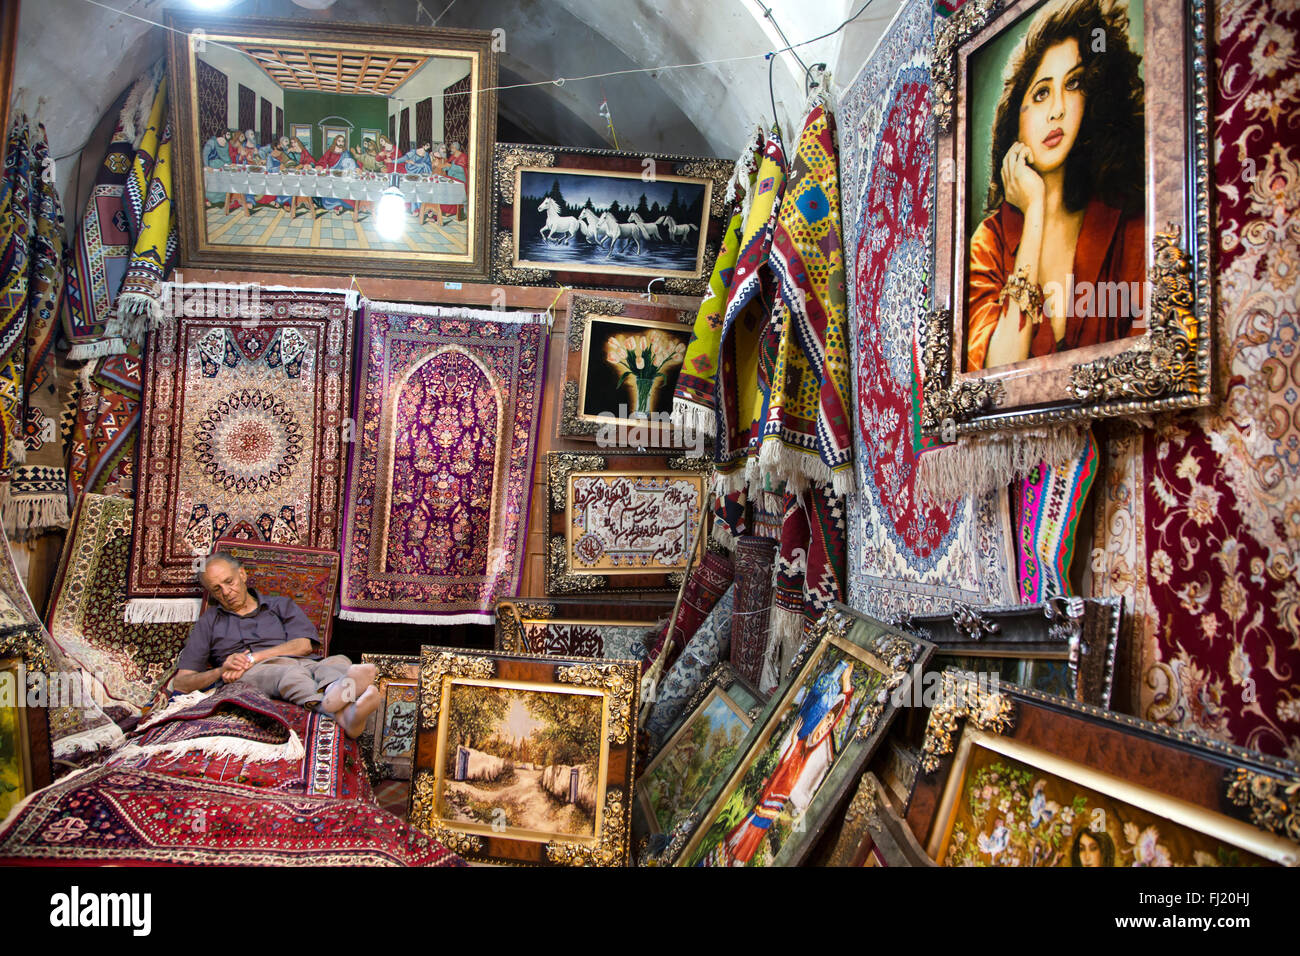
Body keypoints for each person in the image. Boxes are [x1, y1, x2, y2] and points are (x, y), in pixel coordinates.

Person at [965, 0, 1145, 372]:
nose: (1058, 109)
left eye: (1074, 84)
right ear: (1017, 115)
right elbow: (996, 374)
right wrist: (1034, 212)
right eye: (1042, 92)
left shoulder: (1125, 221)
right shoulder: (991, 241)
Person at [173, 552, 380, 737]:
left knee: (337, 662)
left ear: (242, 574)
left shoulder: (279, 605)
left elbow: (304, 645)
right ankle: (335, 706)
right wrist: (222, 671)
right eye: (217, 589)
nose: (226, 592)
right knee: (291, 675)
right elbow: (182, 683)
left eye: (230, 582)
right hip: (257, 672)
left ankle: (342, 704)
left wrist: (253, 657)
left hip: (300, 661)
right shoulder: (209, 621)